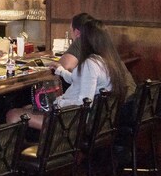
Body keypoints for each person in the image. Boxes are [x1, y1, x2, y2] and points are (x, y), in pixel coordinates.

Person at [7, 19, 136, 130]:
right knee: (29, 108)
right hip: (97, 121)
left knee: (12, 114)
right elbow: (81, 80)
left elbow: (84, 103)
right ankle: (42, 149)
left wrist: (58, 104)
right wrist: (61, 71)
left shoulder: (91, 64)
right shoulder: (107, 61)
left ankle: (41, 154)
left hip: (72, 123)